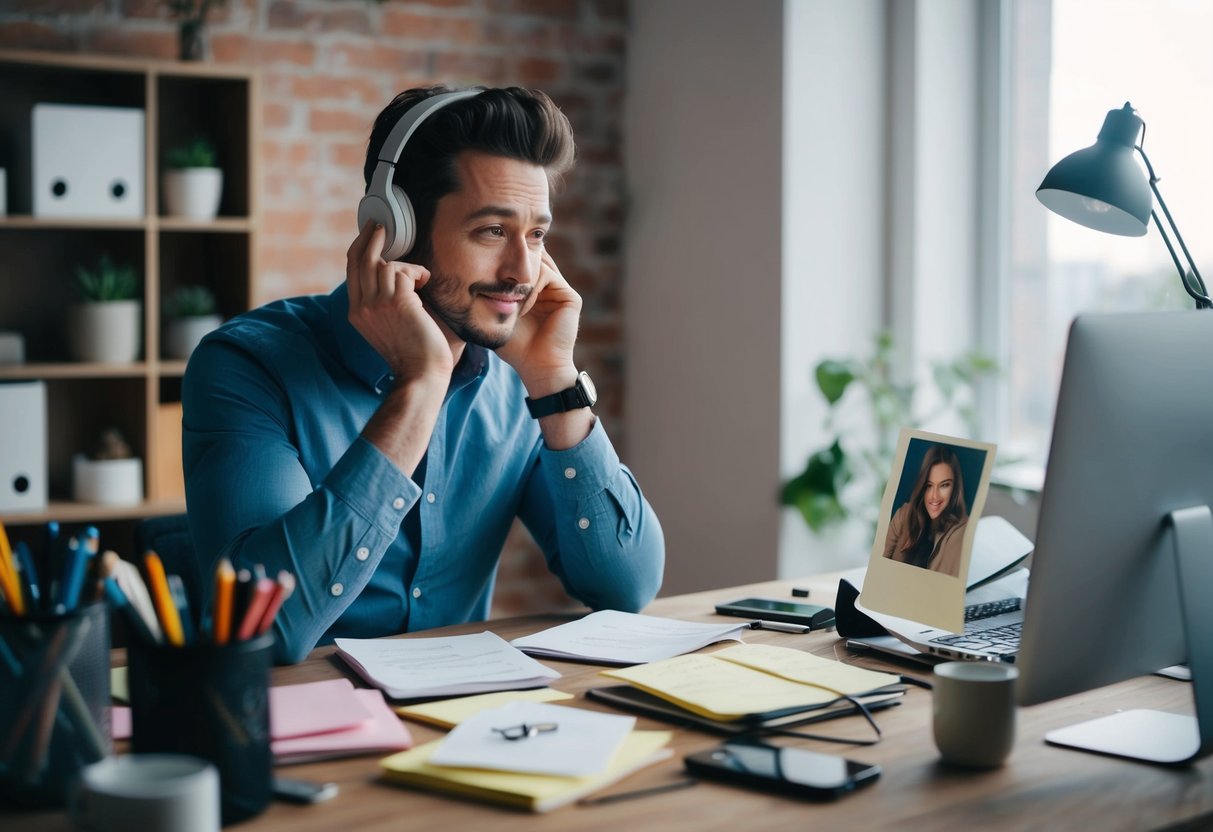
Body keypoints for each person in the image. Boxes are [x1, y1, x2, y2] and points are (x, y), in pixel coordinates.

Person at [182, 85, 665, 664]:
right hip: (302, 728)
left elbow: (627, 589)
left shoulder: (519, 377)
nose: (522, 270)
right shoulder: (247, 366)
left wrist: (556, 379)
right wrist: (421, 383)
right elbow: (266, 631)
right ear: (396, 230)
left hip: (463, 725)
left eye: (536, 235)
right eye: (492, 231)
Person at [882, 445, 968, 577]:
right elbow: (879, 567)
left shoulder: (962, 532)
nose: (934, 496)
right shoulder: (904, 515)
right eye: (929, 485)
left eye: (944, 485)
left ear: (955, 488)